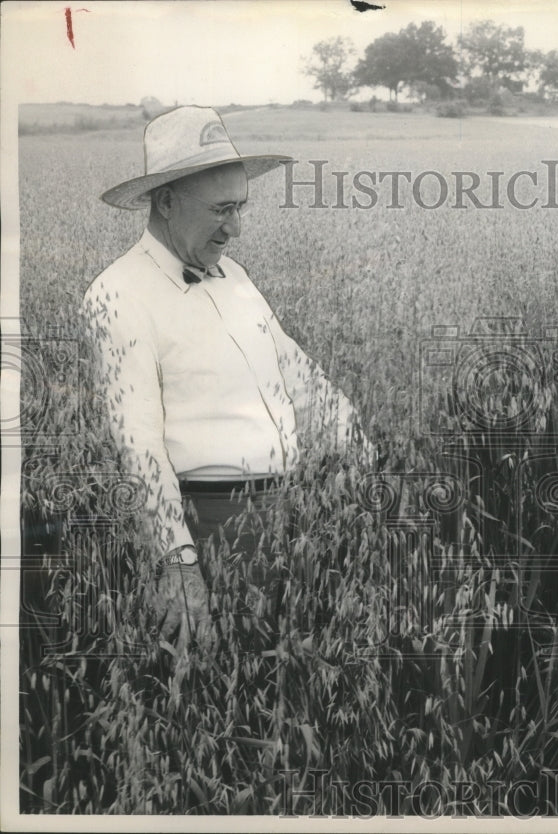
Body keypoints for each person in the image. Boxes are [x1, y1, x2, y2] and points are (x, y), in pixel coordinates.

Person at [84, 106, 367, 651]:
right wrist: (180, 563)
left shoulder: (234, 276)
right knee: (215, 693)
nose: (234, 228)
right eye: (220, 209)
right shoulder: (117, 294)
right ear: (166, 202)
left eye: (240, 208)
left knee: (280, 686)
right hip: (208, 524)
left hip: (287, 516)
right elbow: (137, 444)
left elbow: (297, 373)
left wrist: (356, 448)